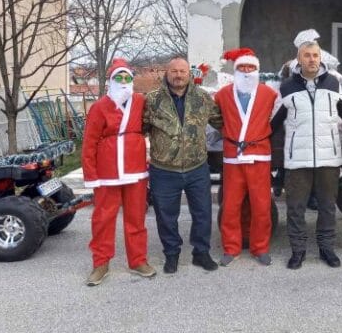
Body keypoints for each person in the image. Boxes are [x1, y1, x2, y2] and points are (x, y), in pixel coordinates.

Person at [271, 28, 342, 269]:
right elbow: (273, 123)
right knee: (296, 207)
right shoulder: (287, 87)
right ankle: (298, 251)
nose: (311, 59)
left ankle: (327, 249)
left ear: (321, 58)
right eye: (306, 55)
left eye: (315, 55)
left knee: (327, 206)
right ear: (299, 59)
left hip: (328, 157)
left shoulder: (333, 83)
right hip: (297, 159)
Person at [143, 55, 223, 274]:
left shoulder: (203, 98)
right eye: (174, 71)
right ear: (166, 73)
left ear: (190, 74)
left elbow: (221, 122)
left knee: (202, 212)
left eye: (183, 71)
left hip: (197, 167)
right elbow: (139, 128)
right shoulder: (152, 100)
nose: (178, 75)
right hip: (163, 169)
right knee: (166, 215)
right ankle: (171, 254)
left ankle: (201, 253)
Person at [82, 58, 155, 286]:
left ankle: (138, 260)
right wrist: (91, 175)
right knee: (103, 219)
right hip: (107, 173)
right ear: (111, 81)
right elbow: (89, 143)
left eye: (127, 78)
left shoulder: (141, 102)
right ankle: (101, 263)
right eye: (119, 78)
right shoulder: (99, 107)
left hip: (135, 171)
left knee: (136, 219)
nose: (123, 82)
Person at [215, 48, 278, 267]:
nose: (247, 71)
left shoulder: (270, 95)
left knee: (261, 205)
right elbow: (216, 120)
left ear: (257, 70)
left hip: (259, 156)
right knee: (231, 205)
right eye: (242, 67)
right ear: (235, 70)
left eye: (251, 67)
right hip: (233, 157)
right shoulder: (222, 95)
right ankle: (231, 248)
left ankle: (260, 247)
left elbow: (276, 120)